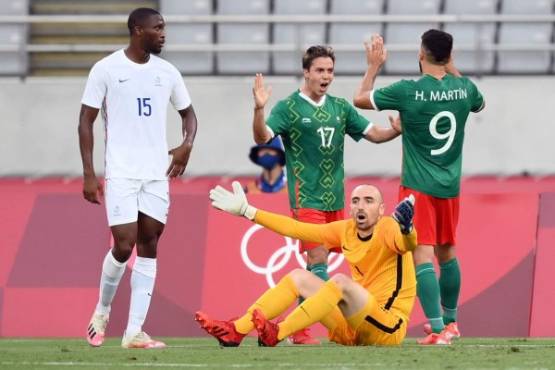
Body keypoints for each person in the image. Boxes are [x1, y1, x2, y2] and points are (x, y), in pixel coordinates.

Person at [251, 45, 401, 344]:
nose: (326, 76)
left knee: (314, 268)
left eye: (330, 71)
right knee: (318, 259)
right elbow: (262, 138)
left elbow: (374, 134)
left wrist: (396, 131)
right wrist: (258, 109)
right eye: (320, 70)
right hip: (306, 197)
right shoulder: (289, 107)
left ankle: (299, 331)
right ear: (306, 72)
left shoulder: (340, 108)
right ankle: (325, 330)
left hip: (335, 199)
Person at [353, 30, 485, 345]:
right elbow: (479, 105)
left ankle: (438, 329)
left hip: (418, 187)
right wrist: (451, 67)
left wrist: (373, 66)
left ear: (421, 54)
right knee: (448, 252)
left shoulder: (408, 91)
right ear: (449, 56)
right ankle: (451, 323)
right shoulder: (465, 89)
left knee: (421, 256)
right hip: (450, 186)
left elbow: (360, 98)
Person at [78, 7, 198, 349]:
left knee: (150, 244)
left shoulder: (168, 72)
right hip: (121, 172)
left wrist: (186, 145)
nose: (163, 33)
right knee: (124, 244)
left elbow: (189, 115)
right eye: (157, 28)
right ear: (137, 30)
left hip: (157, 174)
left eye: (164, 27)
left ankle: (134, 332)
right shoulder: (106, 69)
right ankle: (101, 311)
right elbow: (85, 121)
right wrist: (89, 174)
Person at [196, 181, 417, 347]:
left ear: (381, 209)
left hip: (387, 328)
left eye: (369, 201)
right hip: (353, 328)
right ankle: (236, 331)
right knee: (298, 277)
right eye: (356, 201)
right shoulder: (346, 229)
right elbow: (296, 229)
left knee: (339, 282)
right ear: (350, 207)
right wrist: (248, 211)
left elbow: (407, 244)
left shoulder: (389, 227)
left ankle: (279, 332)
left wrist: (407, 229)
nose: (361, 206)